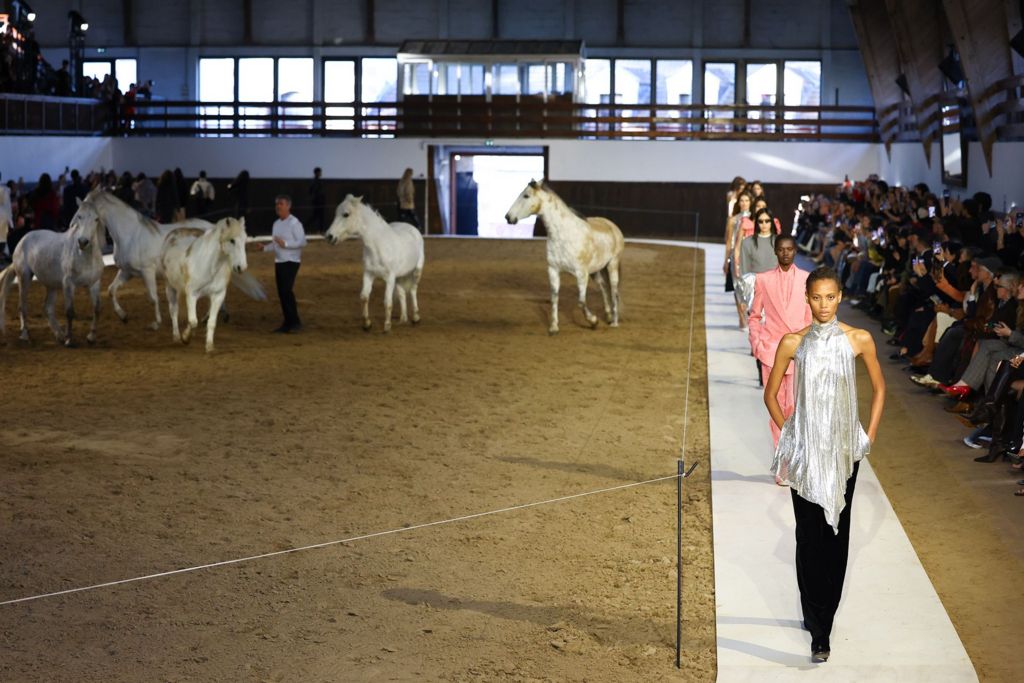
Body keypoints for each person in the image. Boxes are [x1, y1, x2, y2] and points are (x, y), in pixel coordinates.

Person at [764, 266, 885, 663]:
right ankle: (814, 618)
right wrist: (791, 436)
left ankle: (823, 627)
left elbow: (880, 389)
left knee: (836, 540)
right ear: (807, 297)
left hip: (844, 452)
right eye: (816, 297)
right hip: (805, 453)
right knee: (808, 538)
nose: (823, 305)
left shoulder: (859, 339)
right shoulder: (792, 341)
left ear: (840, 296)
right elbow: (771, 395)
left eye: (830, 297)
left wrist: (869, 435)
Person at [748, 234, 812, 447]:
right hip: (771, 351)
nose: (785, 253)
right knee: (775, 406)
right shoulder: (763, 279)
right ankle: (782, 459)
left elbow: (809, 317)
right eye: (781, 249)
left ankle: (792, 456)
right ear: (775, 251)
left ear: (795, 251)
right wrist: (756, 344)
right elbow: (755, 315)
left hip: (797, 350)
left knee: (793, 407)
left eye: (790, 249)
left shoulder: (806, 279)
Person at [253, 195, 307, 333]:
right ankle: (288, 322)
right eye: (276, 204)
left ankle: (295, 323)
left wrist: (286, 244)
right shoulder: (276, 224)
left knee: (286, 291)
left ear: (288, 206)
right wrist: (264, 248)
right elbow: (276, 244)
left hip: (291, 261)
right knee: (282, 293)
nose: (278, 206)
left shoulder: (295, 223)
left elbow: (302, 242)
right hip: (279, 262)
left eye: (281, 203)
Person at [309, 167, 326, 233]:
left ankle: (321, 230)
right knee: (318, 217)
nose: (321, 173)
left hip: (318, 201)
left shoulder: (316, 181)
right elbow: (314, 191)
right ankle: (321, 230)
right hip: (318, 201)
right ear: (317, 173)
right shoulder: (316, 181)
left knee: (318, 217)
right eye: (319, 172)